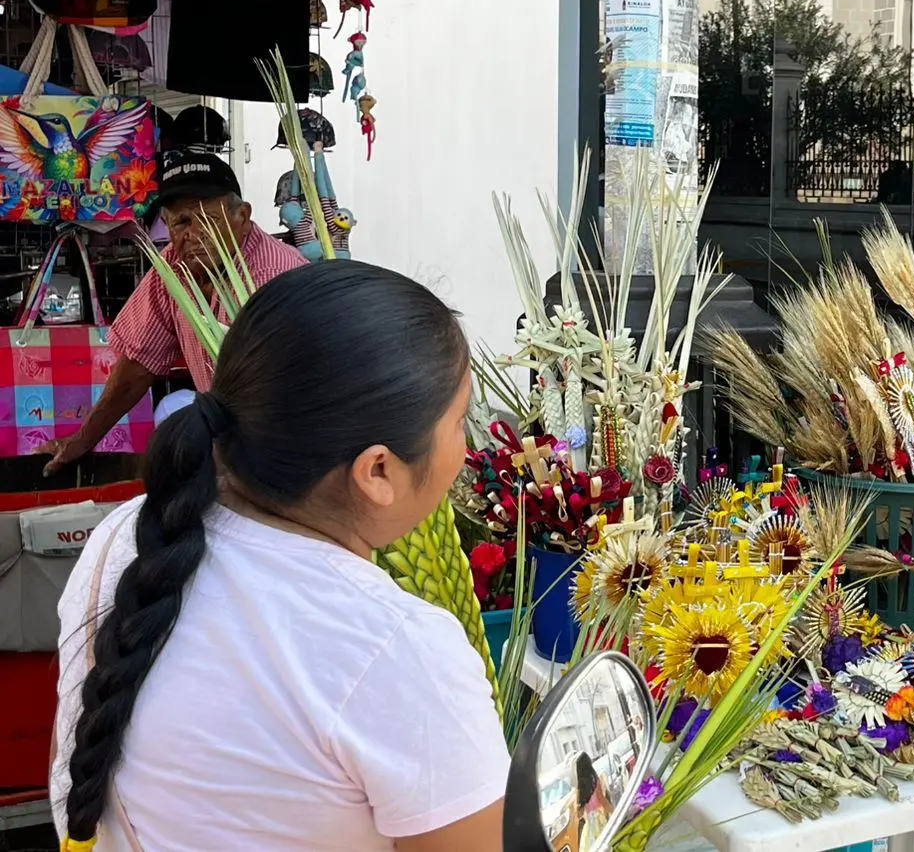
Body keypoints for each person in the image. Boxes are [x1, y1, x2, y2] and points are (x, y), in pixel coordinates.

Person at [50, 261, 507, 851]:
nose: (467, 450)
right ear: (377, 471)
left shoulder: (126, 535)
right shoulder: (396, 649)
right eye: (460, 421)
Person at [39, 150, 307, 476]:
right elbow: (138, 363)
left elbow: (280, 396)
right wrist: (82, 440)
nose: (194, 235)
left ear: (243, 216)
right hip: (237, 444)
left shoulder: (270, 279)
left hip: (293, 446)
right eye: (181, 222)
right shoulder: (176, 266)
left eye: (209, 220)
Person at [573, 752, 613, 852]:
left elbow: (579, 814)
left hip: (589, 825)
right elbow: (603, 802)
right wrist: (616, 812)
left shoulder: (579, 788)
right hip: (600, 821)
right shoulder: (595, 781)